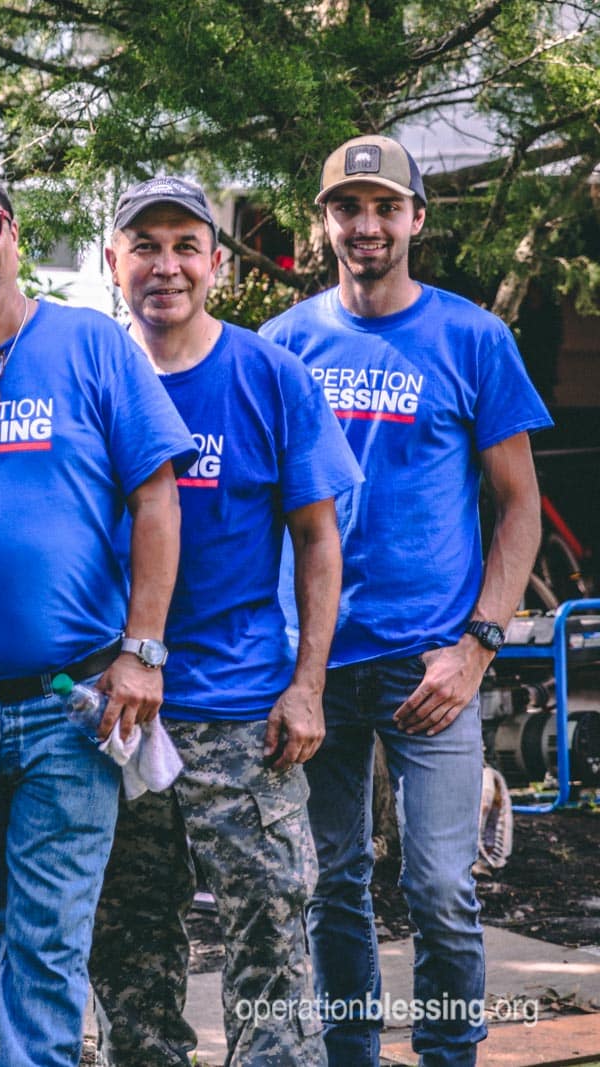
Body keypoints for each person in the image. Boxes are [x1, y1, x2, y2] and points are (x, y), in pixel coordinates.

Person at [0, 159, 195, 1067]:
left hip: (72, 704)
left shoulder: (94, 345)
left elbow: (158, 499)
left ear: (14, 234)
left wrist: (143, 651)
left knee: (49, 946)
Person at [260, 134, 551, 1067]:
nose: (368, 223)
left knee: (438, 885)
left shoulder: (472, 337)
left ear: (417, 218)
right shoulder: (283, 344)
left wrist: (476, 647)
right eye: (349, 207)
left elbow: (521, 511)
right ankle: (351, 1054)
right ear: (326, 223)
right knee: (332, 882)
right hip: (314, 664)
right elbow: (254, 509)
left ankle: (449, 1056)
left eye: (387, 206)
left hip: (431, 664)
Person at [88, 177, 362, 1066]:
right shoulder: (89, 374)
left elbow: (319, 538)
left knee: (272, 950)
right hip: (116, 716)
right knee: (129, 959)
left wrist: (308, 684)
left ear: (214, 260)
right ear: (112, 262)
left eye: (183, 245)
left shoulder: (268, 375)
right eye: (144, 246)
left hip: (241, 717)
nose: (165, 266)